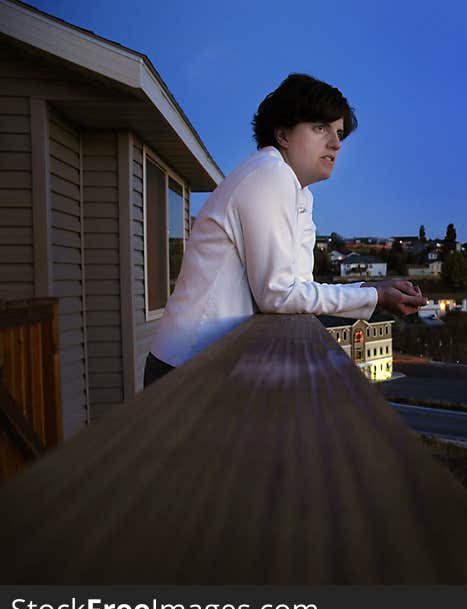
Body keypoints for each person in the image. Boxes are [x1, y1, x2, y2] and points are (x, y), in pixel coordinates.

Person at [144, 73, 426, 387]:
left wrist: (370, 290)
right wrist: (375, 295)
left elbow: (299, 288)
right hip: (187, 366)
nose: (335, 144)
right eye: (320, 128)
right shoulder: (269, 174)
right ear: (283, 135)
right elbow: (278, 295)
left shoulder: (298, 192)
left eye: (339, 132)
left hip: (209, 363)